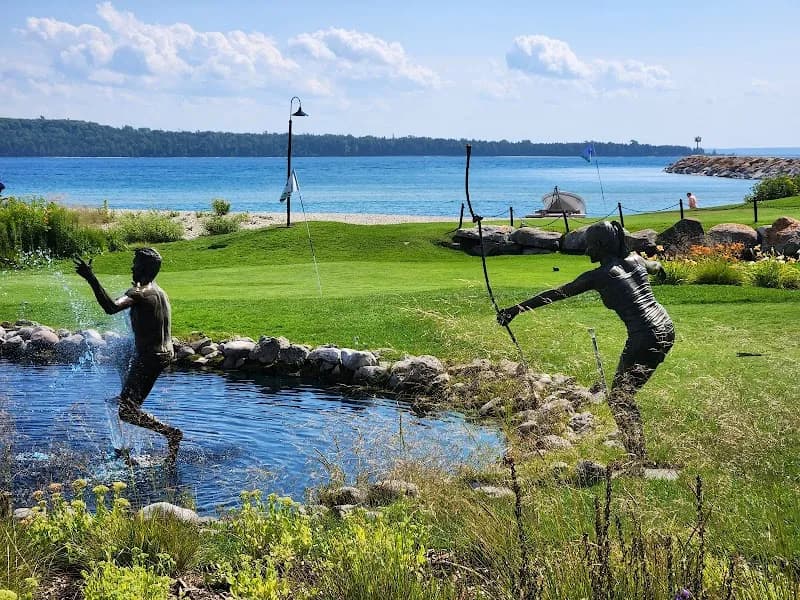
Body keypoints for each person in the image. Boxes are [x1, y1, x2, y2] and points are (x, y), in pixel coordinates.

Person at [497, 221, 674, 469]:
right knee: (623, 395)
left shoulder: (599, 276)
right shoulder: (634, 260)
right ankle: (638, 456)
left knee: (620, 399)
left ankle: (638, 460)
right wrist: (660, 266)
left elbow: (557, 293)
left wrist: (515, 310)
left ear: (600, 245)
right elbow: (653, 266)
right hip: (666, 326)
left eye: (589, 245)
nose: (585, 250)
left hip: (646, 336)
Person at [74, 248, 182, 464]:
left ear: (143, 267)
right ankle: (124, 448)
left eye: (135, 263)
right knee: (123, 359)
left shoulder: (139, 293)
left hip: (150, 357)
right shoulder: (159, 292)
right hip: (162, 353)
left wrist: (91, 278)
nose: (132, 267)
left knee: (127, 412)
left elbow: (111, 307)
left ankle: (171, 434)